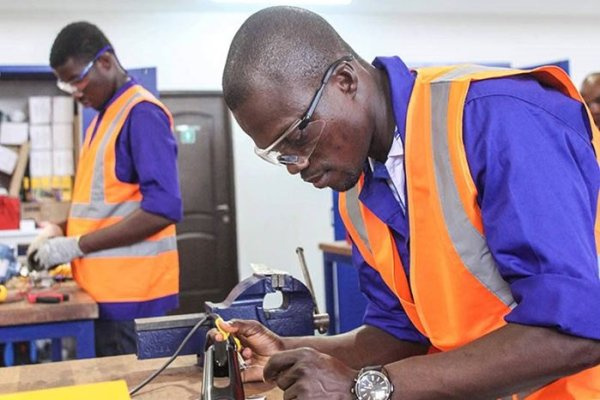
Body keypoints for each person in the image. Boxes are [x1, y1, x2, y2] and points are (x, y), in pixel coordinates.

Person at [215, 6, 600, 399]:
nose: (295, 165)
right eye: (278, 154)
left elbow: (574, 332)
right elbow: (399, 335)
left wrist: (365, 387)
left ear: (345, 81)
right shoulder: (357, 187)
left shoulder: (497, 118)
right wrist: (291, 351)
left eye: (296, 137)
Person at [26, 22, 182, 357]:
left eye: (77, 81)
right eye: (66, 86)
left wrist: (73, 246)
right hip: (102, 295)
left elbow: (163, 208)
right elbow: (102, 210)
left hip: (131, 300)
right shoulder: (100, 120)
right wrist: (57, 232)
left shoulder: (141, 114)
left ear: (105, 62)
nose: (76, 93)